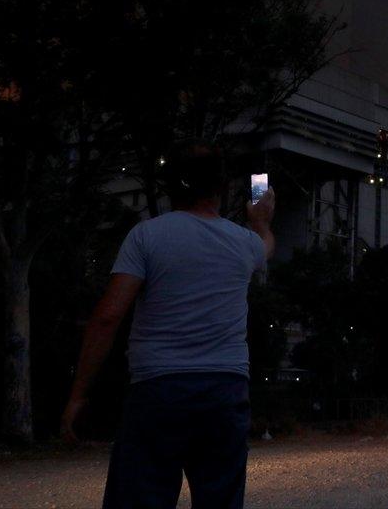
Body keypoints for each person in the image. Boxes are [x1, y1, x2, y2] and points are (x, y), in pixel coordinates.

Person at [60, 142, 276, 509]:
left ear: (170, 186)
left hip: (158, 389)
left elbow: (108, 317)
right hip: (224, 391)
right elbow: (266, 245)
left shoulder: (147, 236)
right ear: (219, 187)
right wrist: (260, 221)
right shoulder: (243, 243)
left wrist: (79, 393)